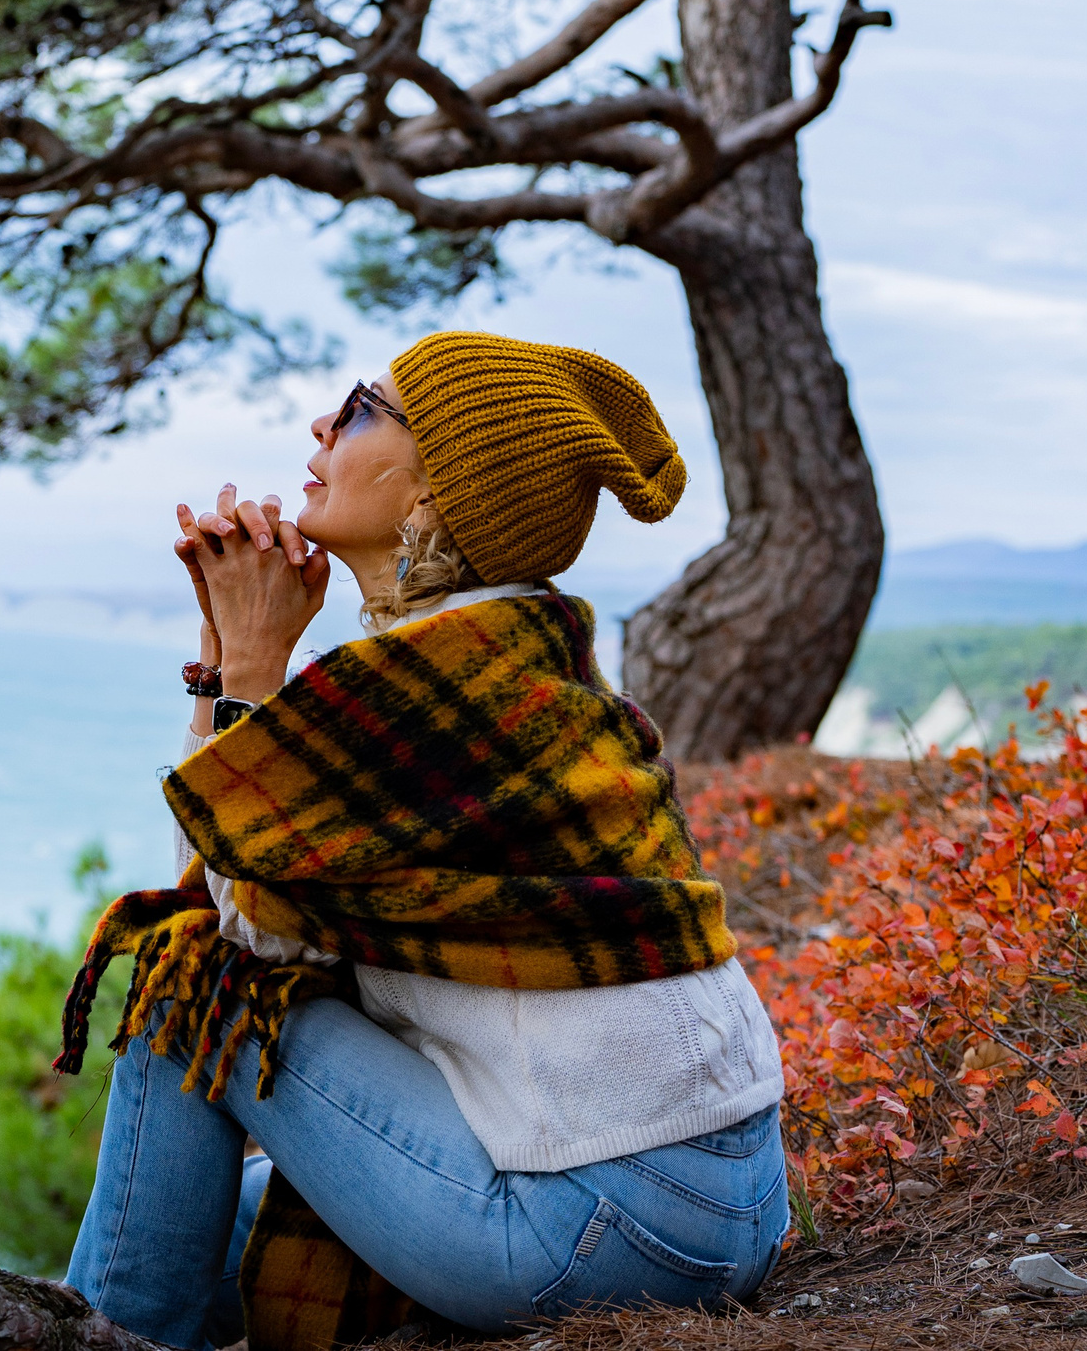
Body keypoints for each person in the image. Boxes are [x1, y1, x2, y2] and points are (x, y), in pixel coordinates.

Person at [56, 332, 789, 1351]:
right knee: (228, 1231)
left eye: (359, 407)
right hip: (736, 1198)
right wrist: (226, 662)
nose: (321, 423)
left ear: (434, 488)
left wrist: (256, 661)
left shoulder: (424, 695)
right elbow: (241, 883)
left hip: (605, 1225)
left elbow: (241, 941)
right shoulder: (518, 660)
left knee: (188, 1000)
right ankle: (100, 1315)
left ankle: (100, 1338)